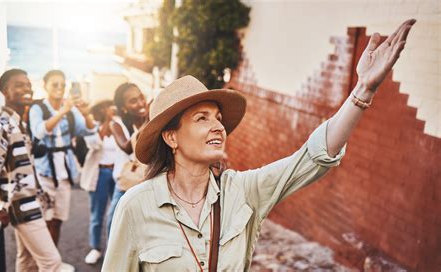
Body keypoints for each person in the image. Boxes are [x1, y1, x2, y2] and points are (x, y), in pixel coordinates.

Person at [102, 19, 416, 271]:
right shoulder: (136, 206)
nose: (217, 126)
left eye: (218, 118)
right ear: (171, 137)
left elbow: (311, 158)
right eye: (201, 118)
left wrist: (362, 89)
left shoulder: (243, 192)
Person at [0, 69, 62, 271]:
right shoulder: (2, 123)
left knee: (26, 262)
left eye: (28, 85)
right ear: (5, 91)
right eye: (19, 85)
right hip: (23, 208)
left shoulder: (16, 122)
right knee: (52, 263)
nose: (26, 89)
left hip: (30, 204)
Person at [28, 70, 96, 270]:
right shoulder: (38, 108)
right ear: (45, 85)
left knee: (57, 220)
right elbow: (39, 131)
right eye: (54, 84)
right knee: (42, 223)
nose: (59, 88)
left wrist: (86, 113)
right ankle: (44, 264)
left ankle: (52, 264)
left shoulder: (71, 110)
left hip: (64, 175)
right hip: (44, 174)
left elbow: (88, 130)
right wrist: (62, 111)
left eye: (62, 85)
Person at [80, 100, 120, 264]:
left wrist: (112, 122)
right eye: (104, 107)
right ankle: (95, 248)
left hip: (117, 173)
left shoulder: (118, 125)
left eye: (110, 106)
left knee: (117, 213)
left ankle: (115, 248)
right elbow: (95, 144)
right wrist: (106, 122)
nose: (108, 109)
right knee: (97, 214)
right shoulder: (93, 126)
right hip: (100, 173)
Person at [106, 83, 148, 234]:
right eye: (133, 101)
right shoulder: (116, 124)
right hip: (125, 185)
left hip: (147, 184)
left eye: (141, 97)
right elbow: (127, 147)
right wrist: (148, 121)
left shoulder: (152, 122)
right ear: (124, 107)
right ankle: (110, 257)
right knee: (114, 227)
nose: (141, 103)